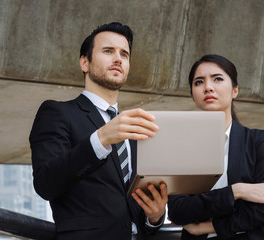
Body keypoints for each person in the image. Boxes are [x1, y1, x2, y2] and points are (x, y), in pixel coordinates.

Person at [29, 22, 167, 240]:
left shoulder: (133, 128)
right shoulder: (57, 112)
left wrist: (155, 217)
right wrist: (101, 139)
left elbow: (132, 209)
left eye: (124, 54)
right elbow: (46, 183)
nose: (118, 59)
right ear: (85, 62)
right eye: (108, 51)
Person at [167, 54, 264, 240]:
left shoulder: (258, 141)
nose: (208, 87)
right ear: (193, 96)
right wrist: (237, 191)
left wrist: (208, 226)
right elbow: (178, 211)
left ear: (235, 90)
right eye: (199, 82)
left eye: (218, 79)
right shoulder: (183, 149)